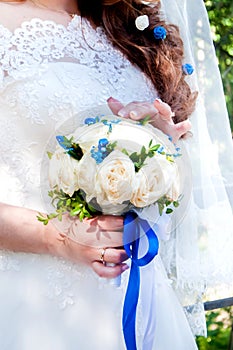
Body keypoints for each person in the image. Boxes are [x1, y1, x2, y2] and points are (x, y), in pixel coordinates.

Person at [0, 0, 232, 349]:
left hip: (139, 295)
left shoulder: (125, 28)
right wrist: (57, 237)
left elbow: (167, 180)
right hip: (33, 304)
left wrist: (156, 139)